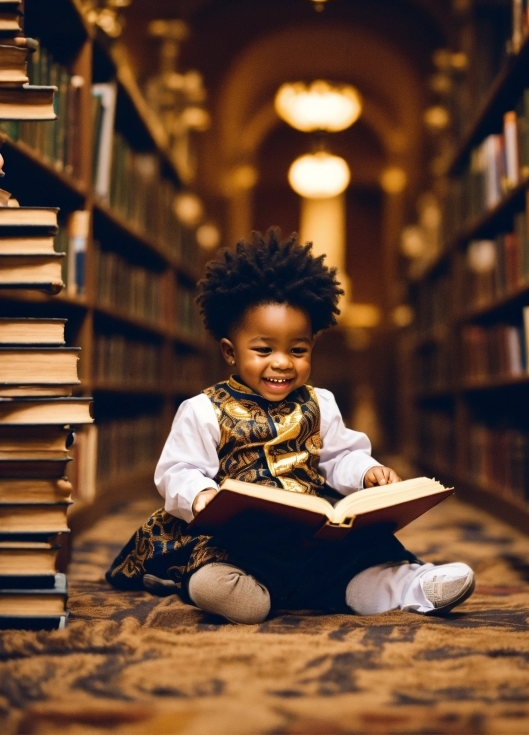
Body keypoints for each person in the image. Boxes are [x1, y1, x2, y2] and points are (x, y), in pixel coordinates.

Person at [106, 229, 475, 623]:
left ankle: (411, 585)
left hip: (309, 533)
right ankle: (225, 588)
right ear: (230, 352)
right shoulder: (202, 409)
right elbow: (178, 470)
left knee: (357, 553)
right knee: (217, 567)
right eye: (264, 349)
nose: (282, 363)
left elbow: (339, 456)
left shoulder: (320, 402)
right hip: (238, 538)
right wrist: (200, 496)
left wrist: (366, 472)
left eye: (297, 350)